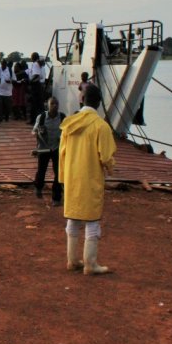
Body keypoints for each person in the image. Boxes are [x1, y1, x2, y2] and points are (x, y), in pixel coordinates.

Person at [59, 85, 117, 275]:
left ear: (81, 99)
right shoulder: (101, 126)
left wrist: (63, 177)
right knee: (92, 221)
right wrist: (110, 169)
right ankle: (90, 264)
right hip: (90, 178)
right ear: (100, 103)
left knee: (73, 220)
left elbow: (62, 154)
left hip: (72, 178)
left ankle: (71, 260)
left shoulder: (69, 124)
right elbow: (106, 157)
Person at [33, 97, 66, 205]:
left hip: (57, 148)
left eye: (56, 104)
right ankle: (38, 187)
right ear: (47, 105)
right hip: (44, 148)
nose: (55, 106)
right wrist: (39, 133)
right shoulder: (41, 117)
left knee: (58, 173)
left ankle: (56, 198)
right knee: (41, 170)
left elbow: (68, 131)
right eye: (52, 104)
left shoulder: (62, 117)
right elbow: (34, 131)